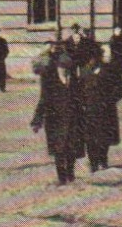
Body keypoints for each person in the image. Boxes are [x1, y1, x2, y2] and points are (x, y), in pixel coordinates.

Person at [31, 48, 86, 184]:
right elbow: (43, 100)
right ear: (58, 68)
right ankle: (62, 178)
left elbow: (81, 99)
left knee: (71, 148)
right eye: (63, 69)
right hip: (55, 120)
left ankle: (71, 174)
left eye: (68, 69)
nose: (65, 72)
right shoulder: (51, 82)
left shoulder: (74, 81)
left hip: (73, 119)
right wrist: (37, 120)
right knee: (59, 149)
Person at [81, 46, 122, 172]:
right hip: (89, 109)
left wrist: (111, 99)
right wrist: (82, 103)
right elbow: (79, 89)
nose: (91, 60)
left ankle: (103, 160)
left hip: (106, 108)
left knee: (104, 136)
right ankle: (93, 162)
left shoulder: (109, 70)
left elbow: (120, 86)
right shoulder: (85, 71)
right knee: (90, 137)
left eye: (93, 58)